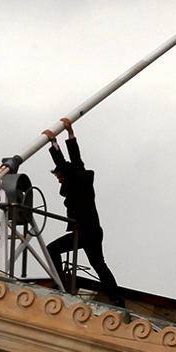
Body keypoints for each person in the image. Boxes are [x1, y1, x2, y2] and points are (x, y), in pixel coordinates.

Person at [43, 119, 123, 308]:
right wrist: (70, 133)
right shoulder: (82, 178)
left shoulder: (75, 181)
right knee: (99, 265)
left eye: (60, 177)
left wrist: (53, 142)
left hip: (85, 230)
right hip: (93, 229)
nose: (60, 181)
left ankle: (61, 285)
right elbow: (76, 159)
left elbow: (64, 163)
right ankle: (116, 298)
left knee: (51, 250)